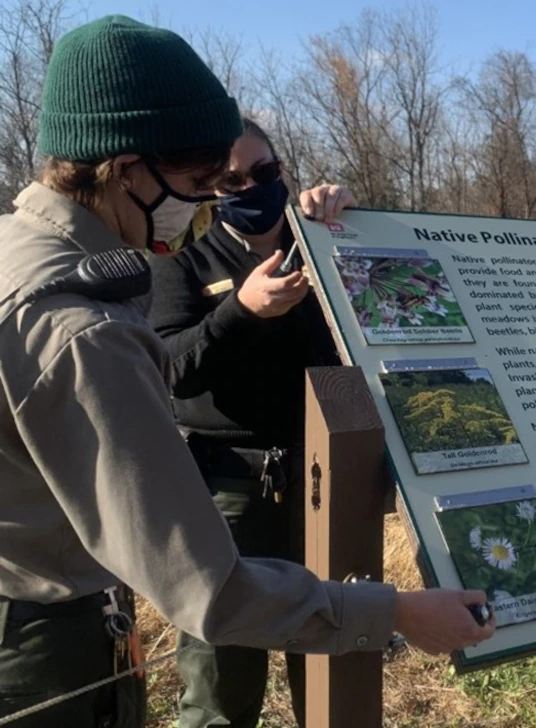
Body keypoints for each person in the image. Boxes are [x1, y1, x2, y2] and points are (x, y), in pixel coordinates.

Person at [0, 15, 493, 728]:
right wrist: (401, 612)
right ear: (126, 166)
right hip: (46, 651)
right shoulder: (86, 327)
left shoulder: (23, 255)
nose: (203, 203)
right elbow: (210, 591)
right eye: (200, 181)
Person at [147, 118, 355, 728]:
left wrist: (347, 220)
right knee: (222, 673)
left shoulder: (319, 240)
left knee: (328, 656)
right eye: (231, 180)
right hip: (228, 494)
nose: (252, 187)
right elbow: (170, 369)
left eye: (265, 173)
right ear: (208, 188)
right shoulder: (181, 260)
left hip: (324, 484)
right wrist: (240, 311)